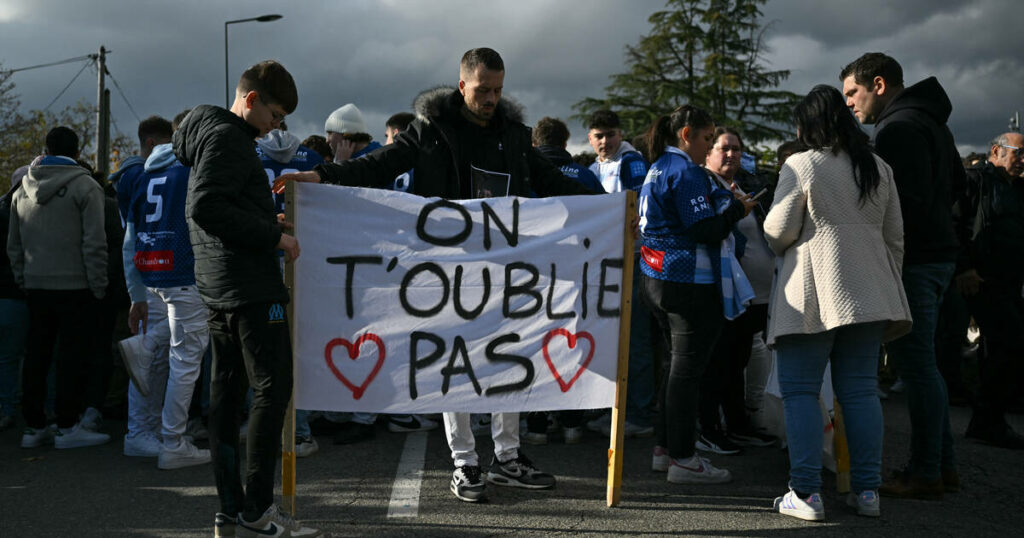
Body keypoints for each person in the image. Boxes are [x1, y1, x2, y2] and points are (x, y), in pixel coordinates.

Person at [276, 48, 595, 503]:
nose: (490, 99)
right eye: (482, 89)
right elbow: (381, 164)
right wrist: (323, 175)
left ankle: (508, 456)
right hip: (445, 269)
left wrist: (608, 205)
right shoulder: (429, 129)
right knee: (454, 360)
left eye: (498, 90)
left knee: (510, 356)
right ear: (462, 85)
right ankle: (465, 462)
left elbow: (550, 182)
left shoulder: (515, 135)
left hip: (504, 268)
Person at [173, 60, 319, 537]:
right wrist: (272, 238)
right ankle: (257, 511)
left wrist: (263, 223)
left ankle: (230, 509)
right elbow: (206, 205)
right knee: (272, 391)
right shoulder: (229, 138)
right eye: (276, 115)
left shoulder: (210, 132)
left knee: (227, 396)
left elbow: (217, 202)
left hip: (218, 284)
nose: (279, 126)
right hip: (249, 286)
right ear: (251, 100)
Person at [764, 85, 911, 521]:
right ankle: (867, 492)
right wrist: (886, 284)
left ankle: (807, 494)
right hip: (870, 293)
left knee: (802, 392)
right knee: (862, 391)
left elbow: (777, 232)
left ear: (809, 124)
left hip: (812, 292)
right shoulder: (878, 168)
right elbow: (895, 238)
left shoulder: (801, 164)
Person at [841, 52, 964, 499]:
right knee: (925, 366)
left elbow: (893, 206)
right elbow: (958, 188)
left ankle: (926, 471)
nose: (849, 105)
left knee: (917, 368)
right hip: (939, 257)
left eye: (852, 93)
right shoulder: (932, 122)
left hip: (915, 259)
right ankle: (941, 466)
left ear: (878, 84)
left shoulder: (896, 129)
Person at [638, 104, 757, 485]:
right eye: (708, 139)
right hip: (686, 280)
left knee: (672, 367)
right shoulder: (684, 171)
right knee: (686, 372)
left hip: (656, 277)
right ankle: (684, 458)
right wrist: (736, 210)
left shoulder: (658, 166)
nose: (710, 149)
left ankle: (665, 449)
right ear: (686, 134)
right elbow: (703, 229)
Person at [7, 126, 111, 450]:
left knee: (37, 354)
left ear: (46, 148)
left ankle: (34, 426)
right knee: (71, 356)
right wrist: (98, 285)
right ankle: (68, 425)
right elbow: (95, 243)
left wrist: (24, 278)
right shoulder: (85, 186)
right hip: (75, 285)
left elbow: (14, 244)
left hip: (36, 284)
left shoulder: (22, 189)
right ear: (78, 152)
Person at [118, 115, 213, 469]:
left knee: (169, 348)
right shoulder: (190, 172)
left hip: (151, 270)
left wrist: (136, 294)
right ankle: (173, 440)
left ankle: (149, 343)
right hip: (182, 270)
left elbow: (130, 239)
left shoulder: (143, 173)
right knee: (186, 359)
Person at [697, 127, 776, 454]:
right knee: (720, 362)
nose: (731, 155)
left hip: (757, 293)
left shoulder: (744, 184)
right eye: (724, 149)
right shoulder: (703, 186)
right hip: (726, 291)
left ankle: (738, 424)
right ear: (708, 152)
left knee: (738, 360)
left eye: (737, 149)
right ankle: (711, 430)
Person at [585, 109, 656, 438]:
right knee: (608, 339)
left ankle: (639, 413)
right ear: (589, 137)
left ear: (621, 134)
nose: (604, 141)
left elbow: (637, 205)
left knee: (635, 338)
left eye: (610, 134)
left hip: (632, 261)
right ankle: (614, 408)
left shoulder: (631, 162)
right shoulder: (593, 168)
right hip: (605, 262)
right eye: (598, 135)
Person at [955, 132, 1024, 449]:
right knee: (998, 344)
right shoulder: (975, 180)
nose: (1023, 161)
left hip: (1006, 281)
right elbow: (956, 223)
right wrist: (964, 267)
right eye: (1019, 153)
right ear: (996, 151)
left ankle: (988, 417)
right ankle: (984, 419)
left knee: (1003, 347)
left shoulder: (1017, 188)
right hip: (975, 279)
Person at [0, 166, 30, 432]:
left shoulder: (1, 210)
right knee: (41, 353)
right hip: (27, 292)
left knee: (7, 357)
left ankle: (7, 409)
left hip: (5, 296)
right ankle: (45, 410)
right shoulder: (31, 211)